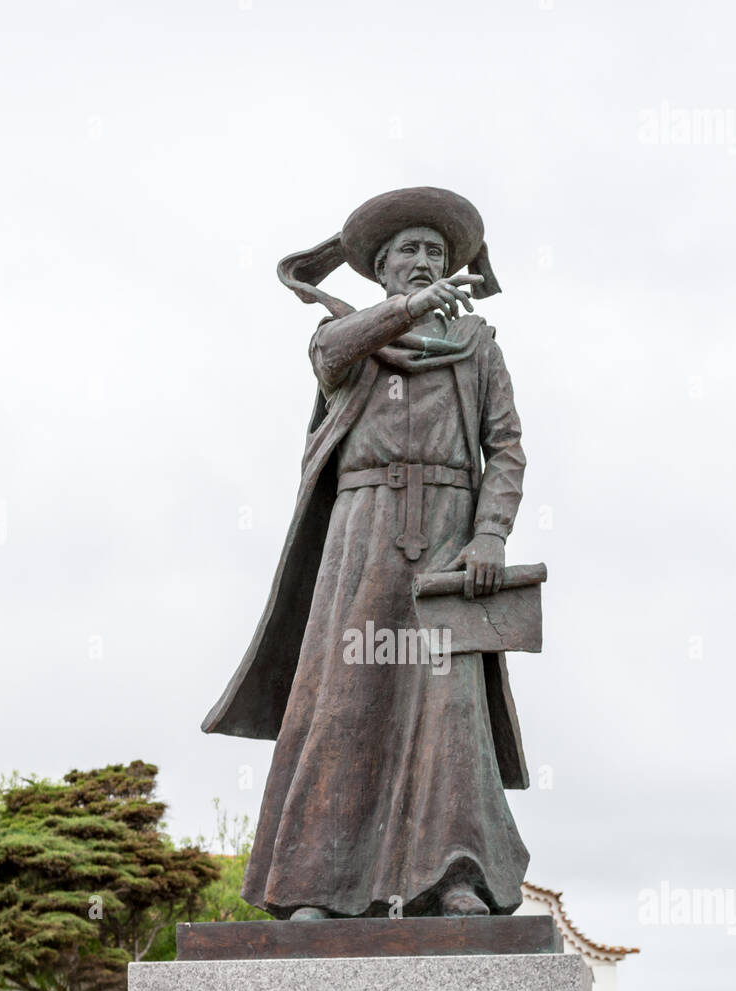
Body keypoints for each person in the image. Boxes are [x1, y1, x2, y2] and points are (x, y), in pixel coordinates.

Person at [202, 187, 531, 919]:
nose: (423, 263)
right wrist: (416, 308)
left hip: (447, 534)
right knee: (345, 700)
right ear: (380, 270)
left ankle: (453, 878)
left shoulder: (478, 347)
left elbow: (505, 449)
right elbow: (331, 357)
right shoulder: (344, 339)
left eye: (435, 254)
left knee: (449, 712)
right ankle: (315, 885)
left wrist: (490, 535)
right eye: (409, 253)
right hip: (360, 534)